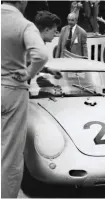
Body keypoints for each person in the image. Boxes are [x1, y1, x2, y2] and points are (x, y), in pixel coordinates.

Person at [1, 1, 50, 198]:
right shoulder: (23, 24)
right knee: (10, 154)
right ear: (21, 1)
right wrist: (29, 71)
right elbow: (41, 55)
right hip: (12, 90)